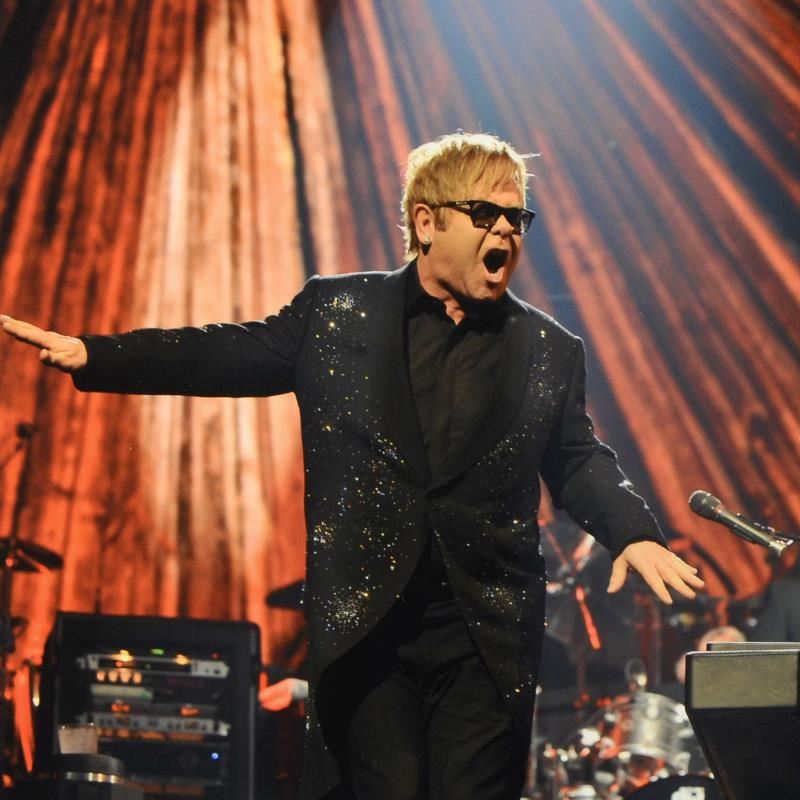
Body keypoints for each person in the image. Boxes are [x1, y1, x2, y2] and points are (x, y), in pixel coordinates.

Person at [1, 132, 703, 800]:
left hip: (484, 636)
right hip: (369, 630)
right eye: (484, 214)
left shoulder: (549, 349)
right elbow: (224, 353)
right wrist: (98, 355)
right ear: (425, 222)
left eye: (517, 217)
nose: (506, 232)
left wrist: (632, 531)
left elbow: (578, 458)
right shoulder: (338, 314)